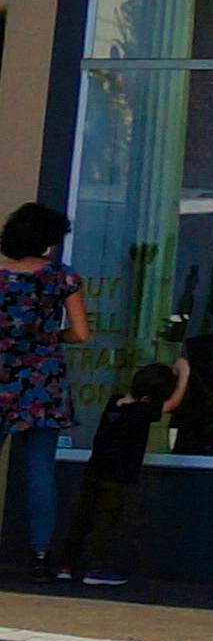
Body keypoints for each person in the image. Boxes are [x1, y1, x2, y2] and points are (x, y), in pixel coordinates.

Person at [0, 203, 88, 582]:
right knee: (40, 468)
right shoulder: (62, 277)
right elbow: (81, 333)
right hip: (42, 381)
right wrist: (49, 337)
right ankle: (40, 555)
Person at [52, 361, 179, 589]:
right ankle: (96, 568)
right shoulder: (141, 411)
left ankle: (66, 566)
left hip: (94, 471)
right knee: (106, 522)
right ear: (149, 399)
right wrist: (185, 374)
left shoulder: (114, 403)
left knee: (81, 519)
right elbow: (172, 404)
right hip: (118, 478)